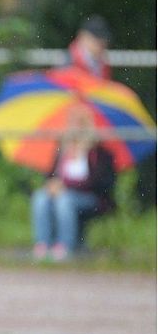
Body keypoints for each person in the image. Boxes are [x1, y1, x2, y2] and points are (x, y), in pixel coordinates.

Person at [32, 103, 115, 261]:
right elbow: (50, 175)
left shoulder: (99, 152)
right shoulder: (62, 149)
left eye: (80, 122)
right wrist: (52, 185)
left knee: (65, 200)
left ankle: (65, 247)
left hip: (90, 198)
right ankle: (43, 244)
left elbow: (101, 183)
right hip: (62, 194)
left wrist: (67, 186)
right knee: (41, 197)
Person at [68, 15, 111, 79]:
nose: (101, 43)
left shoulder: (103, 64)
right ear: (83, 36)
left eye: (103, 39)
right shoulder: (68, 61)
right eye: (96, 39)